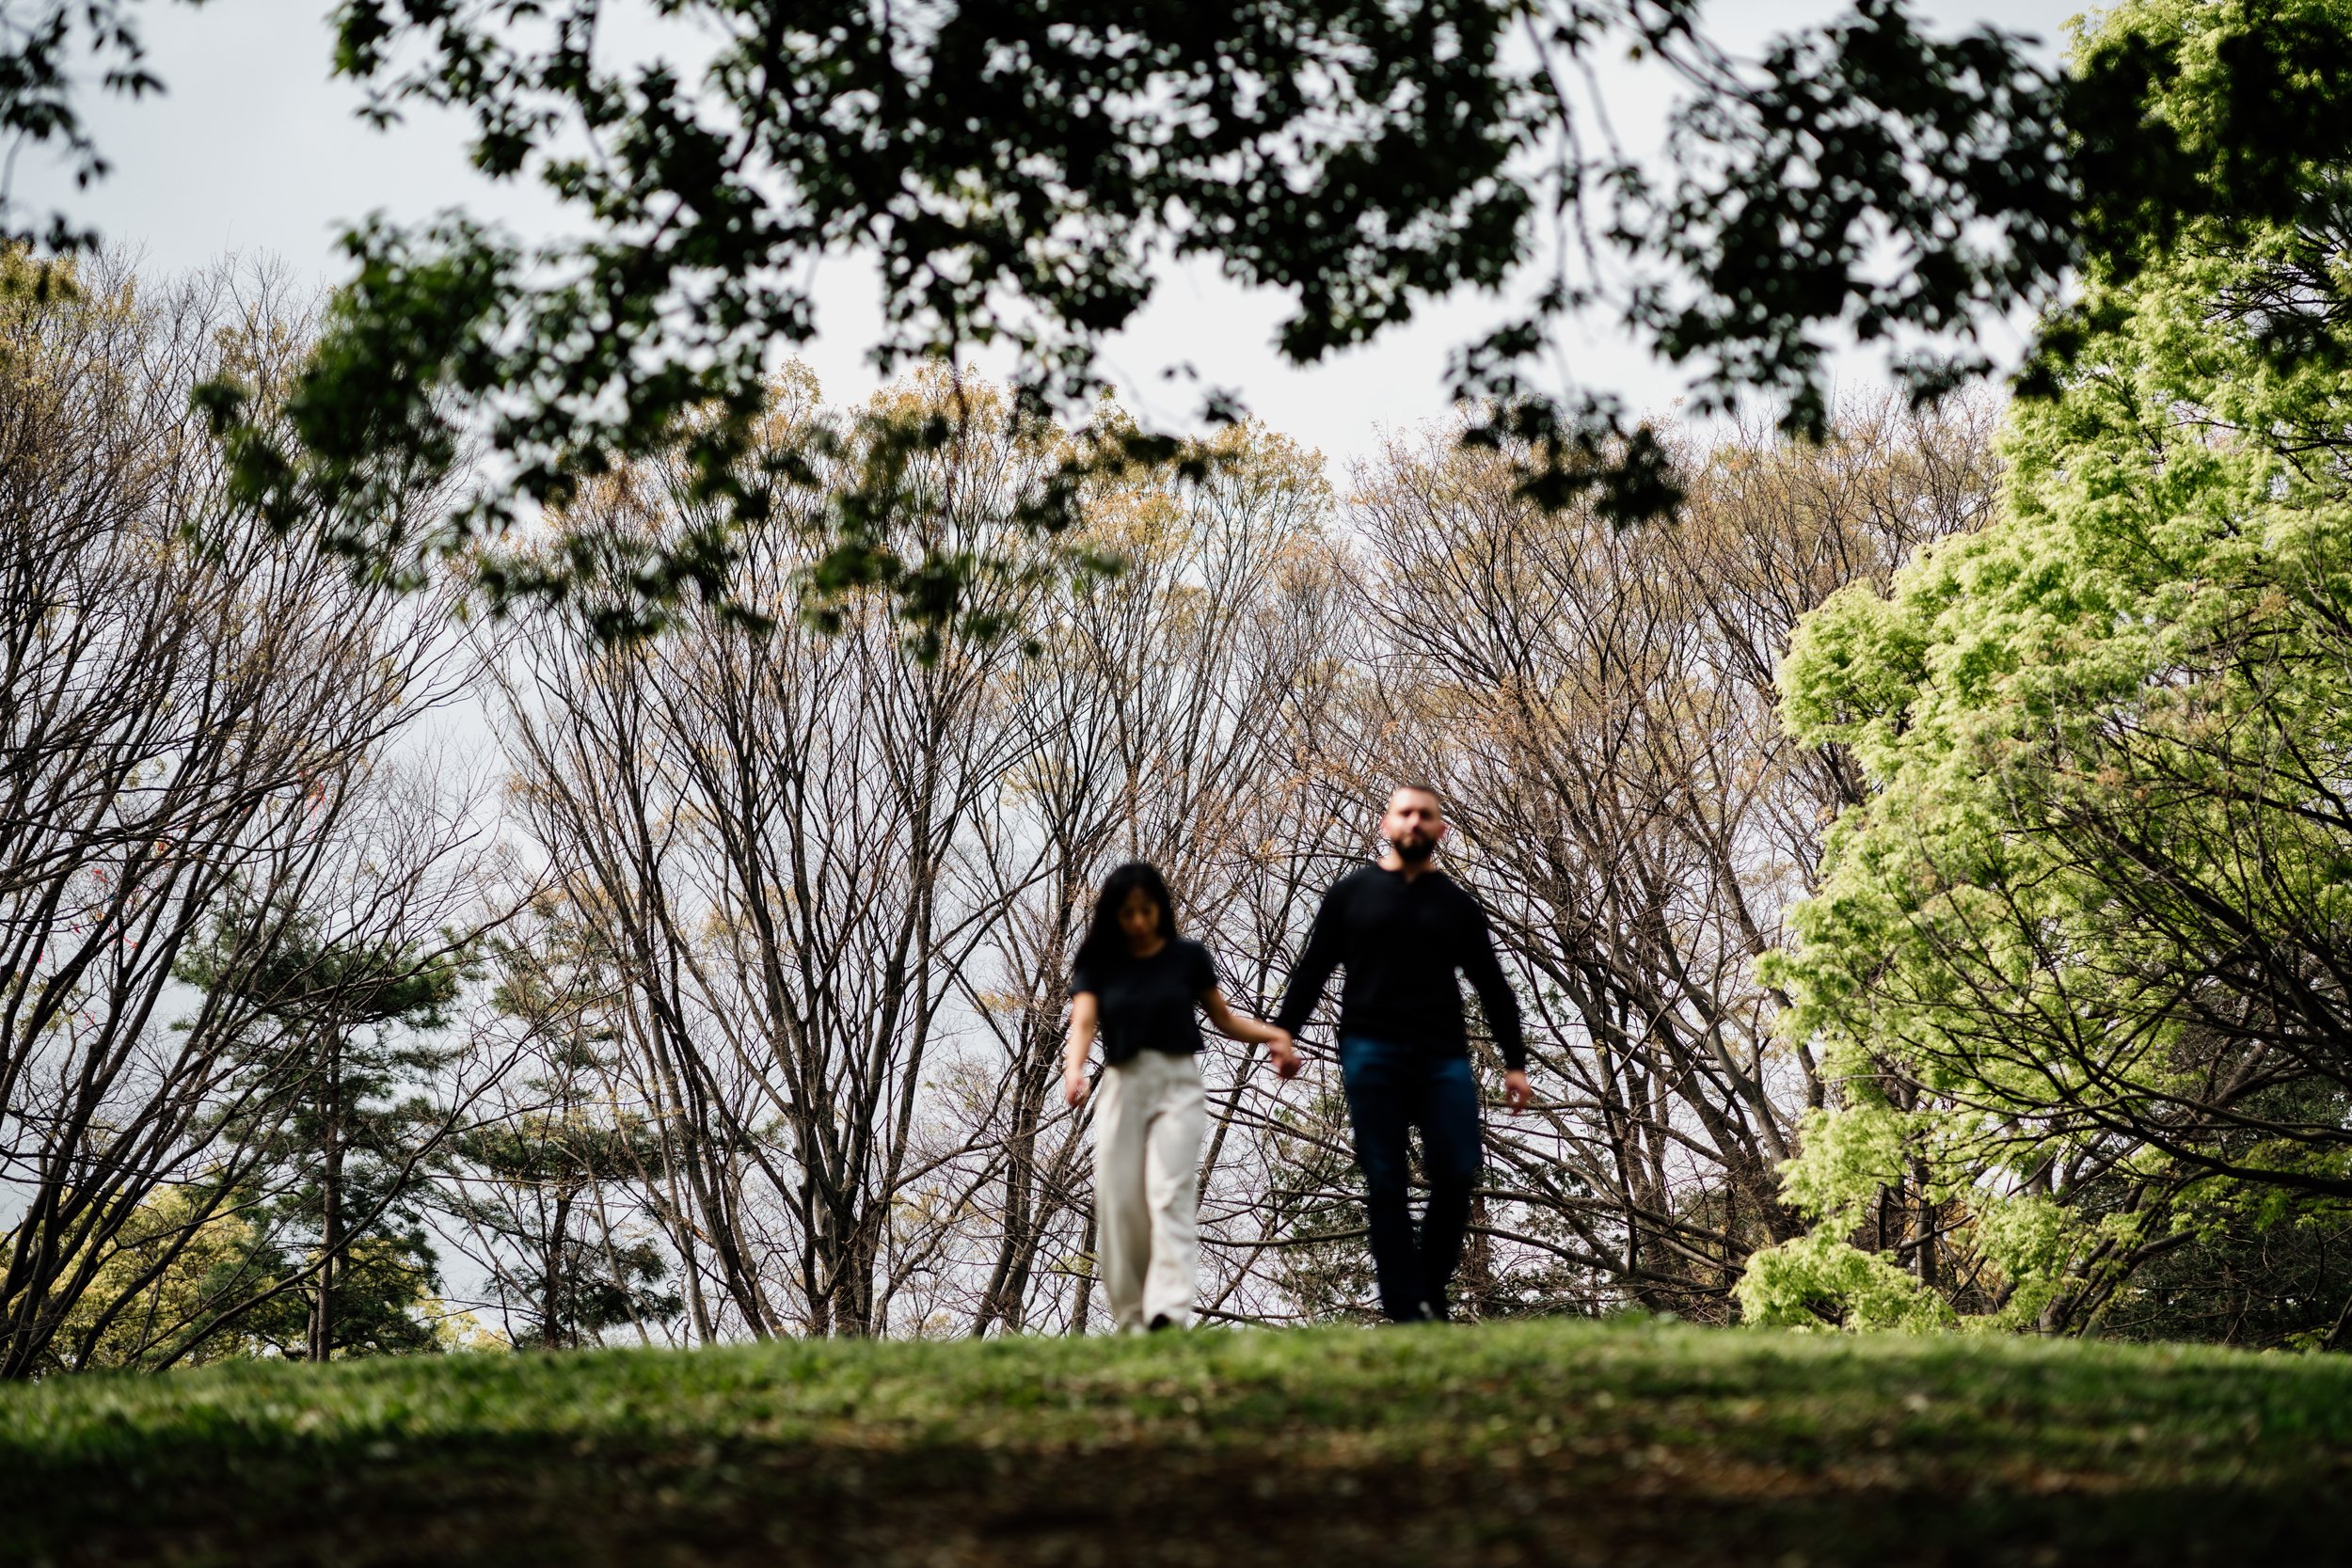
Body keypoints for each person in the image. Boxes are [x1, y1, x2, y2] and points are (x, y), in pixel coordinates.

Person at [1274, 784, 1530, 1323]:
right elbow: (1313, 968)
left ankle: (1429, 1289)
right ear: (1387, 824)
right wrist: (1284, 1033)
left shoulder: (1457, 905)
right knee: (1384, 1177)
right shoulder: (1351, 895)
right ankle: (1404, 1309)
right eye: (1405, 813)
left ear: (1441, 829)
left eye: (1425, 815)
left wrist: (1515, 1062)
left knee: (1458, 1171)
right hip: (1371, 1052)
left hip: (1443, 1057)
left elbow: (1492, 984)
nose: (1414, 822)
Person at [1063, 862, 1298, 1333]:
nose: (1138, 922)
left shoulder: (1187, 957)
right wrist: (1074, 1071)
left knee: (1169, 1193)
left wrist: (1274, 1034)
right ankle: (1132, 1319)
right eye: (1127, 913)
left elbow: (1225, 1020)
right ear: (1113, 915)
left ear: (1161, 909)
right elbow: (1083, 1022)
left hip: (1178, 1084)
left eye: (1146, 910)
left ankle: (1167, 1311)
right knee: (1121, 1202)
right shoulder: (1098, 963)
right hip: (1122, 1085)